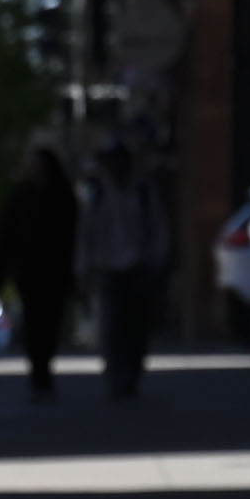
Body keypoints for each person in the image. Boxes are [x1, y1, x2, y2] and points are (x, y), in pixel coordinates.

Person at [0, 133, 79, 404]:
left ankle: (45, 371)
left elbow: (73, 235)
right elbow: (6, 236)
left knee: (50, 324)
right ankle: (39, 374)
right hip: (29, 273)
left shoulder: (62, 195)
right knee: (33, 323)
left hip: (55, 272)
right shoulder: (22, 195)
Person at [82, 133, 170, 401]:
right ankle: (115, 373)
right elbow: (86, 235)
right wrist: (84, 268)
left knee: (136, 326)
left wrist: (156, 260)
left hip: (137, 267)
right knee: (112, 325)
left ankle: (132, 372)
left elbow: (158, 228)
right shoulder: (96, 197)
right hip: (108, 268)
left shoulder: (142, 193)